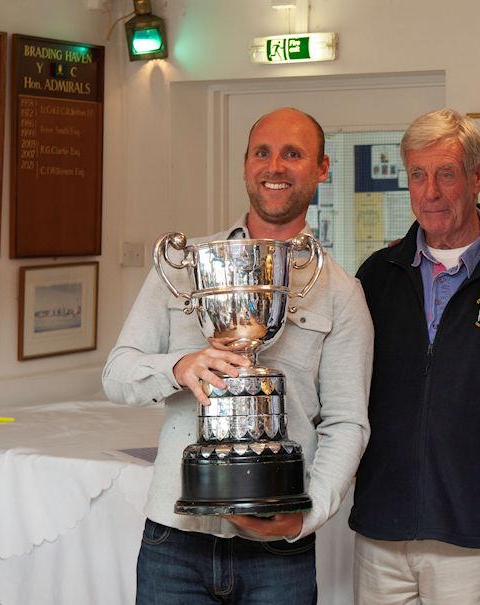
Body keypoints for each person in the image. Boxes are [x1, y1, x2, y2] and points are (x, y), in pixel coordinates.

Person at [102, 107, 373, 604]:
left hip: (277, 553)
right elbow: (117, 374)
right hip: (174, 538)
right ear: (245, 165)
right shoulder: (187, 268)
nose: (275, 167)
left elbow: (347, 422)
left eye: (293, 154)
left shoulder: (339, 292)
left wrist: (307, 515)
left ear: (321, 169)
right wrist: (179, 367)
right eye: (262, 153)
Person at [349, 108, 480, 604]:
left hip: (477, 535)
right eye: (418, 176)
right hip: (383, 530)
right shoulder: (377, 276)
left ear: (477, 177)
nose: (431, 192)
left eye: (446, 174)